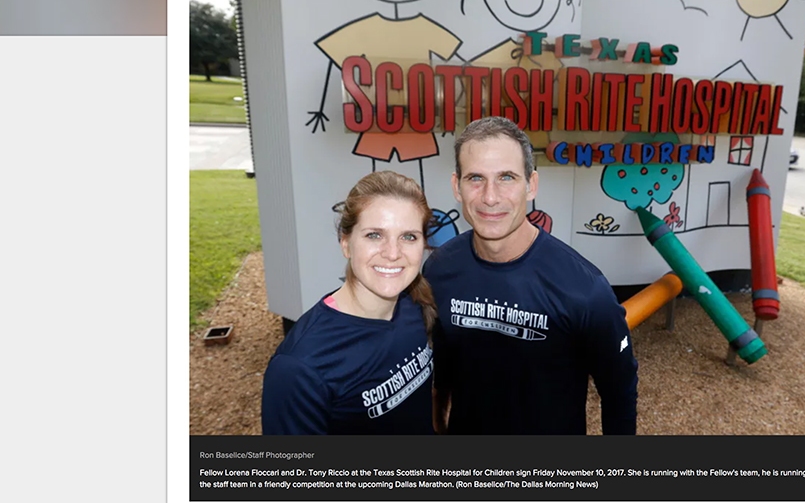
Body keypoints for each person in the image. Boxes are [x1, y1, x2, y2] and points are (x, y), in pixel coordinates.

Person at [424, 116, 638, 435]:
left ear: (531, 185)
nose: (490, 197)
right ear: (457, 186)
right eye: (475, 178)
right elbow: (441, 366)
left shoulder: (585, 290)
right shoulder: (439, 269)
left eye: (506, 177)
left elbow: (619, 393)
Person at [261, 171, 437, 435]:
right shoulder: (300, 367)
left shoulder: (415, 304)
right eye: (374, 235)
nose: (392, 253)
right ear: (345, 243)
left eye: (408, 236)